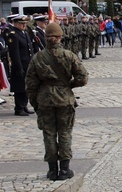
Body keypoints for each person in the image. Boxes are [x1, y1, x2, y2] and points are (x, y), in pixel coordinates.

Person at [25, 22, 88, 181]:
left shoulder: (37, 57)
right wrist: (68, 86)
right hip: (64, 99)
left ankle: (52, 170)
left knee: (49, 134)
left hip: (45, 100)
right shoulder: (69, 55)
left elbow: (30, 84)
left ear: (46, 38)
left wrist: (35, 103)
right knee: (65, 133)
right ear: (60, 37)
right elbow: (83, 77)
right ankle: (65, 170)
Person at [8, 15, 34, 116]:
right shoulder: (13, 35)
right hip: (20, 66)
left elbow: (29, 49)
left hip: (27, 64)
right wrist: (18, 67)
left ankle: (24, 105)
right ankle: (19, 108)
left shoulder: (24, 33)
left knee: (26, 86)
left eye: (25, 24)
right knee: (20, 87)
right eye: (21, 24)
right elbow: (15, 53)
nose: (24, 25)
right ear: (15, 23)